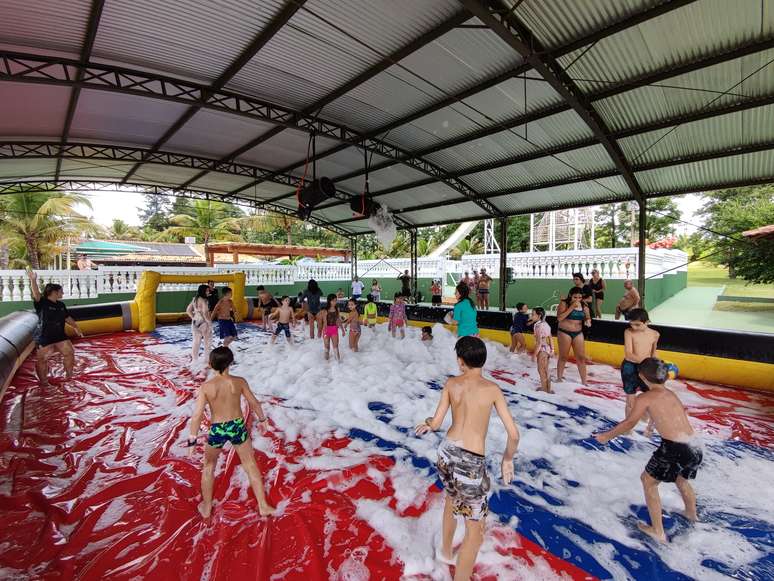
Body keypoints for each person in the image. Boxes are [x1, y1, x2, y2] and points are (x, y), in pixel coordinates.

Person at [415, 336, 519, 578]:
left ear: (461, 362)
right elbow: (513, 433)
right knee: (475, 533)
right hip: (470, 463)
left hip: (445, 452)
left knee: (451, 499)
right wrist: (507, 459)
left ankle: (446, 551)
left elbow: (438, 422)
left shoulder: (451, 384)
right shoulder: (492, 389)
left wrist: (429, 423)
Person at [595, 358, 702, 544]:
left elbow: (630, 422)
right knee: (681, 479)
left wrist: (606, 436)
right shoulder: (670, 393)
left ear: (641, 377)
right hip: (693, 445)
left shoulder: (644, 397)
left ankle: (657, 531)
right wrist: (651, 425)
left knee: (648, 481)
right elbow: (666, 415)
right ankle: (692, 515)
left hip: (674, 448)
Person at [187, 346, 275, 519]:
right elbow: (254, 403)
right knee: (250, 464)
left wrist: (192, 440)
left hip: (218, 428)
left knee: (209, 466)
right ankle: (263, 506)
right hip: (237, 426)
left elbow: (197, 415)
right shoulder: (239, 381)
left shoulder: (206, 387)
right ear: (231, 362)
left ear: (211, 364)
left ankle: (206, 507)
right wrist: (263, 420)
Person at [27, 269, 83, 386]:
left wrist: (76, 327)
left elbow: (67, 317)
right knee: (42, 360)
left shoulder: (61, 305)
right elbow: (36, 293)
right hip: (44, 336)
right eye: (61, 291)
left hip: (59, 335)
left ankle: (69, 376)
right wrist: (33, 280)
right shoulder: (41, 302)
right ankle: (44, 382)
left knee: (69, 353)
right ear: (54, 292)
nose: (62, 293)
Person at [622, 308, 659, 433]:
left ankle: (650, 428)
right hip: (630, 367)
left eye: (637, 324)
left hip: (646, 368)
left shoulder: (655, 334)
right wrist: (646, 363)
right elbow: (628, 354)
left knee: (652, 398)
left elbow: (653, 353)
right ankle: (628, 429)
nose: (633, 326)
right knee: (630, 399)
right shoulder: (629, 332)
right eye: (631, 323)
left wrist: (658, 365)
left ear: (647, 321)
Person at [556, 287, 592, 385]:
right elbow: (559, 318)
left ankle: (584, 381)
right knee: (563, 356)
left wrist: (588, 320)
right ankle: (559, 378)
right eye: (575, 297)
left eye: (579, 297)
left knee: (581, 357)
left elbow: (587, 317)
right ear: (570, 296)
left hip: (578, 332)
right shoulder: (564, 303)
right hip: (564, 332)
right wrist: (571, 307)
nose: (577, 299)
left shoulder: (584, 305)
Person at [186, 284, 212, 364]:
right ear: (203, 291)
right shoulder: (204, 300)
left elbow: (188, 310)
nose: (208, 292)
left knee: (196, 341)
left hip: (195, 322)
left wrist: (193, 317)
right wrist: (209, 323)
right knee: (207, 341)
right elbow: (205, 312)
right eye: (207, 291)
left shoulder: (195, 299)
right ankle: (207, 360)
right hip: (204, 322)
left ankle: (194, 360)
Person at [531, 307, 553, 393]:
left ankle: (544, 389)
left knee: (541, 370)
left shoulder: (539, 326)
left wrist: (534, 355)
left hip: (542, 351)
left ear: (539, 315)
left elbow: (539, 343)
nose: (531, 316)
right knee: (546, 369)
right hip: (546, 350)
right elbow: (550, 338)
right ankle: (548, 388)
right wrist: (552, 350)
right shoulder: (545, 324)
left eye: (533, 314)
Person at [323, 293, 343, 361]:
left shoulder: (337, 309)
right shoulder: (326, 310)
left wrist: (342, 330)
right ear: (329, 301)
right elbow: (325, 322)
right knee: (327, 346)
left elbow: (339, 320)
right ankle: (326, 362)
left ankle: (338, 361)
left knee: (336, 346)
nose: (335, 302)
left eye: (335, 300)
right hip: (327, 329)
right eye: (333, 301)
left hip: (334, 329)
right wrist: (325, 333)